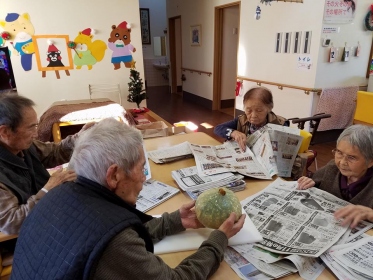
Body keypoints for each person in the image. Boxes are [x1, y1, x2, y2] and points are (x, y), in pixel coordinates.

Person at [11, 118, 246, 280]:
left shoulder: (59, 192)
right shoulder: (115, 243)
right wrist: (218, 240)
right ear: (113, 175)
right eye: (142, 169)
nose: (144, 178)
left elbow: (108, 238)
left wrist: (176, 221)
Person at [0, 94, 91, 235]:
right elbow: (12, 222)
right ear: (5, 132)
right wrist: (47, 190)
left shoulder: (24, 146)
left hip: (47, 213)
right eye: (31, 128)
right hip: (28, 234)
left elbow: (55, 152)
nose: (36, 134)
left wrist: (79, 137)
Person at [297, 125, 373, 225]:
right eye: (339, 152)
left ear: (370, 162)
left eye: (352, 158)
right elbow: (315, 180)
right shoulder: (332, 167)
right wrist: (310, 182)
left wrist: (370, 214)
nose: (342, 162)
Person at [214, 86, 288, 151]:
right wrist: (233, 133)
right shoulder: (241, 120)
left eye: (259, 110)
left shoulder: (280, 123)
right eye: (249, 110)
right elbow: (218, 128)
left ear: (269, 108)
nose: (253, 115)